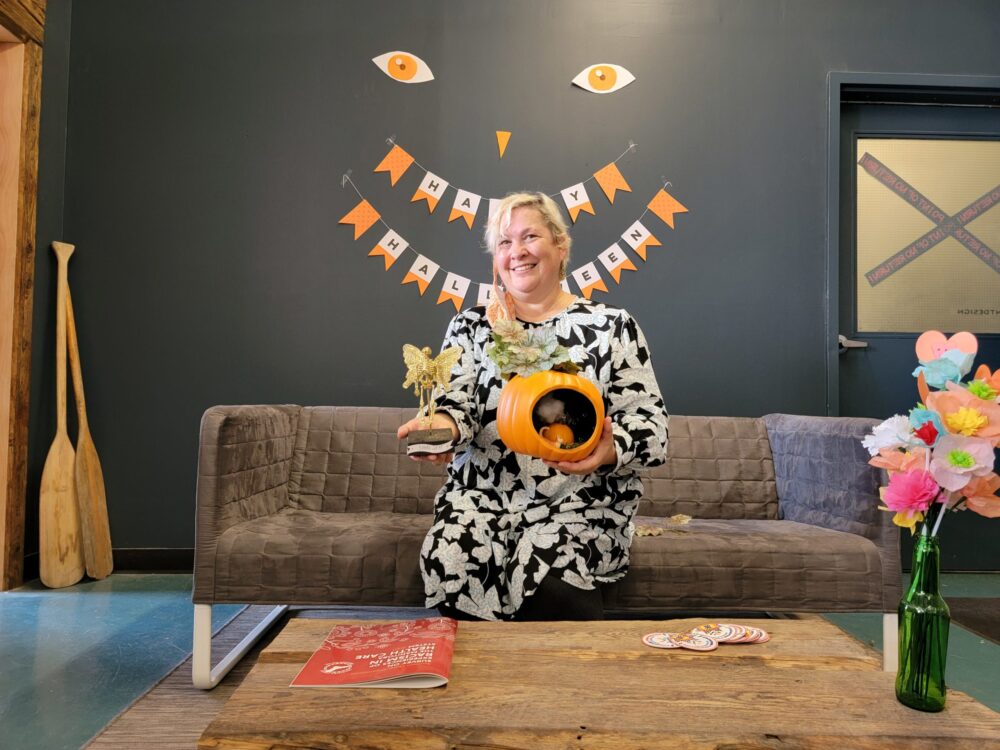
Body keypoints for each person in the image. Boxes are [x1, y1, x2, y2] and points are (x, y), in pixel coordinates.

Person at [397, 191, 668, 621]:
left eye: (529, 237)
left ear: (560, 246)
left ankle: (560, 686)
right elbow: (456, 403)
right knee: (452, 555)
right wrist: (441, 429)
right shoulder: (471, 326)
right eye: (504, 242)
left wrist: (609, 447)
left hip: (579, 502)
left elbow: (651, 427)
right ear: (495, 257)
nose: (517, 252)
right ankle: (470, 686)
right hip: (481, 499)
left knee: (550, 571)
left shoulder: (612, 326)